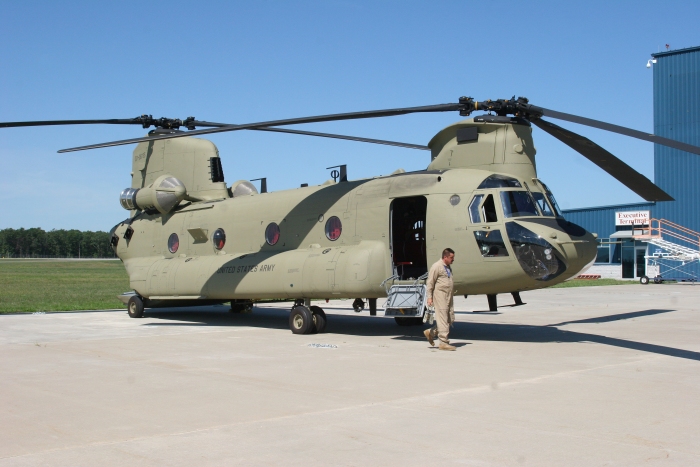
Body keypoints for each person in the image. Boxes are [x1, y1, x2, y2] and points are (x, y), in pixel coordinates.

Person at [424, 248, 456, 351]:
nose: (453, 259)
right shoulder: (436, 266)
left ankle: (431, 332)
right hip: (440, 296)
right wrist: (429, 297)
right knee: (442, 318)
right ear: (445, 257)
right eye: (451, 257)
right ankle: (443, 342)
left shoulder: (447, 267)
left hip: (448, 296)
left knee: (449, 319)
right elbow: (430, 282)